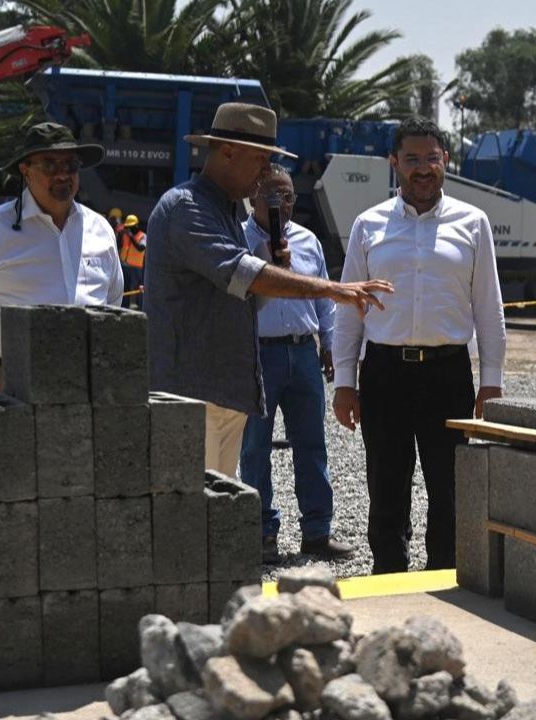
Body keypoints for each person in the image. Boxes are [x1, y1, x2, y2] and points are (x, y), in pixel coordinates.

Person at [144, 102, 393, 480]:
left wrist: (276, 270)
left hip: (223, 395)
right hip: (191, 397)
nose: (266, 173)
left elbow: (246, 299)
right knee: (188, 517)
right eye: (261, 160)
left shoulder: (226, 213)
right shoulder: (186, 208)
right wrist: (335, 290)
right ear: (227, 152)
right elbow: (243, 275)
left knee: (215, 514)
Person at [331, 117, 507, 575]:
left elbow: (489, 308)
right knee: (386, 486)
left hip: (448, 375)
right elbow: (349, 309)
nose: (423, 168)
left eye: (432, 158)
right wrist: (344, 383)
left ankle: (445, 580)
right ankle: (388, 578)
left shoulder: (473, 223)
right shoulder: (368, 225)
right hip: (384, 374)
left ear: (445, 161)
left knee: (448, 488)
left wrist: (492, 383)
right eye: (412, 159)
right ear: (394, 163)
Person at [0, 122, 124, 394]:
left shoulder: (100, 230)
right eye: (50, 165)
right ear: (25, 171)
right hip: (12, 381)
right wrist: (2, 349)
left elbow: (112, 302)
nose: (63, 175)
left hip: (85, 381)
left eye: (70, 165)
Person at [238, 165, 351, 564]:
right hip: (259, 353)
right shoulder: (239, 239)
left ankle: (317, 533)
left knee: (312, 445)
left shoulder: (308, 242)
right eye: (271, 195)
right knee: (255, 448)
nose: (280, 204)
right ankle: (262, 533)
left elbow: (324, 300)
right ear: (253, 196)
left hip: (303, 353)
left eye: (286, 196)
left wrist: (329, 345)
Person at [117, 214, 146, 309]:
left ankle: (140, 309)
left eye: (130, 227)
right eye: (127, 227)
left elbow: (141, 248)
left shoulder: (142, 236)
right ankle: (123, 308)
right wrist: (121, 235)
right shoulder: (125, 236)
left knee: (138, 290)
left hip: (136, 268)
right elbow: (119, 246)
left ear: (136, 226)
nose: (128, 229)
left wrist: (130, 236)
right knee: (125, 289)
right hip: (124, 266)